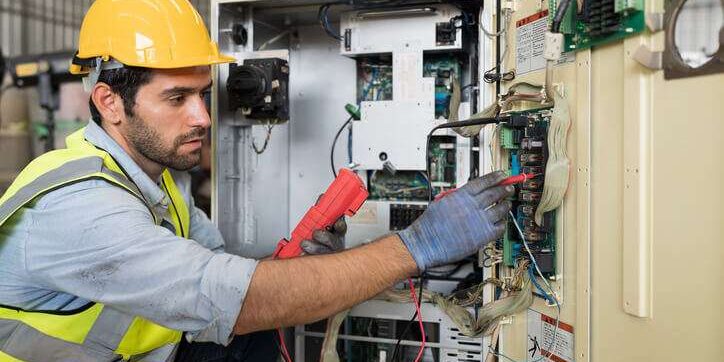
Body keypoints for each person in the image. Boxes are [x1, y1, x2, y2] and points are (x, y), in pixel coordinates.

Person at [0, 0, 513, 361]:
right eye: (177, 99)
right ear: (110, 102)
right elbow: (237, 300)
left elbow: (230, 276)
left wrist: (292, 268)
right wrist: (418, 246)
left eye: (203, 93)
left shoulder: (156, 181)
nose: (203, 118)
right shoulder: (80, 207)